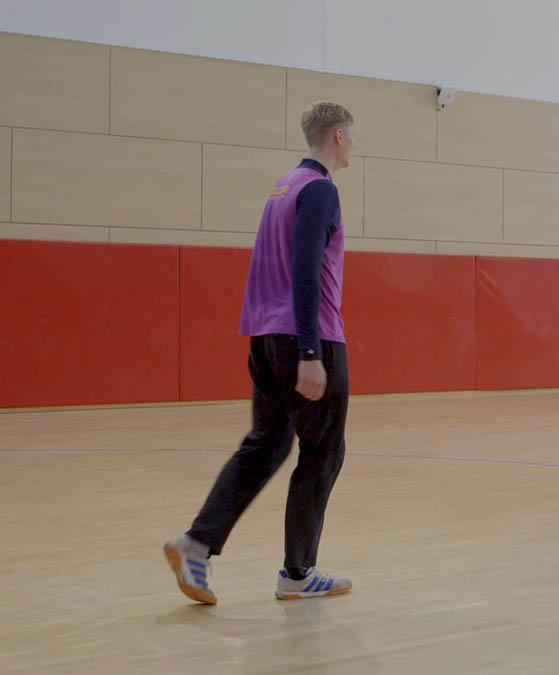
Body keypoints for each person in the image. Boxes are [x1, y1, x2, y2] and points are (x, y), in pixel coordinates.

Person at [163, 101, 356, 603]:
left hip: (266, 337)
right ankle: (298, 573)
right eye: (351, 137)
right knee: (324, 450)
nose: (352, 147)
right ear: (338, 136)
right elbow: (306, 268)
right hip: (309, 339)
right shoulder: (320, 190)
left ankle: (196, 544)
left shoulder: (283, 186)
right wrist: (311, 351)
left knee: (268, 443)